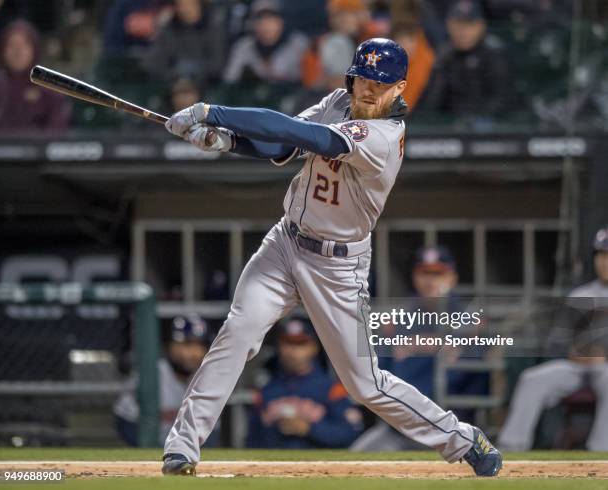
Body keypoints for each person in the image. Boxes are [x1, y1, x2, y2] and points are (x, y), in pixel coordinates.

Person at [162, 37, 502, 477]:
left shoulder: (383, 137)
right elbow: (282, 149)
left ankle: (461, 438)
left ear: (399, 88)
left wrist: (214, 114)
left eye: (380, 84)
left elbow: (297, 132)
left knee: (366, 385)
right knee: (238, 333)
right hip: (285, 243)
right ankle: (182, 448)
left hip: (337, 267)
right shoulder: (340, 100)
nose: (368, 89)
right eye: (363, 78)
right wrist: (226, 141)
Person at [351, 246, 489, 451]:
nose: (430, 280)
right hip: (399, 428)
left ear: (452, 278)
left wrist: (433, 344)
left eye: (438, 273)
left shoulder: (470, 320)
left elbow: (478, 377)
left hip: (451, 427)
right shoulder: (398, 321)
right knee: (358, 455)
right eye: (425, 273)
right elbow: (377, 372)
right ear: (415, 277)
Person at [498, 227, 608, 451]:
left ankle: (601, 451)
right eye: (601, 255)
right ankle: (511, 447)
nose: (605, 262)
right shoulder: (581, 295)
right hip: (576, 366)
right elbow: (556, 342)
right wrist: (573, 352)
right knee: (533, 378)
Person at [246, 317, 363, 448]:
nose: (292, 351)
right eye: (287, 343)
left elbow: (350, 433)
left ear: (314, 347)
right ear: (278, 346)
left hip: (320, 464)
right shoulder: (266, 391)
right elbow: (252, 442)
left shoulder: (331, 388)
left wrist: (308, 428)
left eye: (300, 344)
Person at [113, 314, 214, 446]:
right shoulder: (151, 374)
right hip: (148, 448)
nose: (193, 352)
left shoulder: (208, 377)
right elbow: (124, 418)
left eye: (199, 345)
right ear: (168, 346)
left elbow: (211, 429)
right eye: (186, 344)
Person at [423, 0, 512, 118]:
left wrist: (475, 121)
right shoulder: (445, 55)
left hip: (490, 128)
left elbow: (502, 99)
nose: (463, 31)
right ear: (449, 25)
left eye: (470, 25)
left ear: (481, 26)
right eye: (458, 24)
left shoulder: (494, 53)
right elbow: (431, 104)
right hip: (451, 128)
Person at [0, 20, 70, 133]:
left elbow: (57, 130)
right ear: (2, 50)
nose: (18, 52)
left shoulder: (49, 87)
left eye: (23, 45)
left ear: (34, 49)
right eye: (11, 45)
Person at [222, 0, 308, 85]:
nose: (264, 24)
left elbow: (311, 84)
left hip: (291, 96)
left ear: (281, 21)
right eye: (259, 19)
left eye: (270, 18)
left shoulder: (298, 45)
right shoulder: (243, 46)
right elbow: (229, 81)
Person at [143, 0, 225, 85]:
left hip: (207, 87)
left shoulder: (213, 30)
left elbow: (217, 65)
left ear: (199, 5)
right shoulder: (169, 30)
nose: (184, 9)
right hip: (173, 86)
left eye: (189, 5)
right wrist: (175, 75)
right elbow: (154, 63)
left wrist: (193, 74)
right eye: (180, 5)